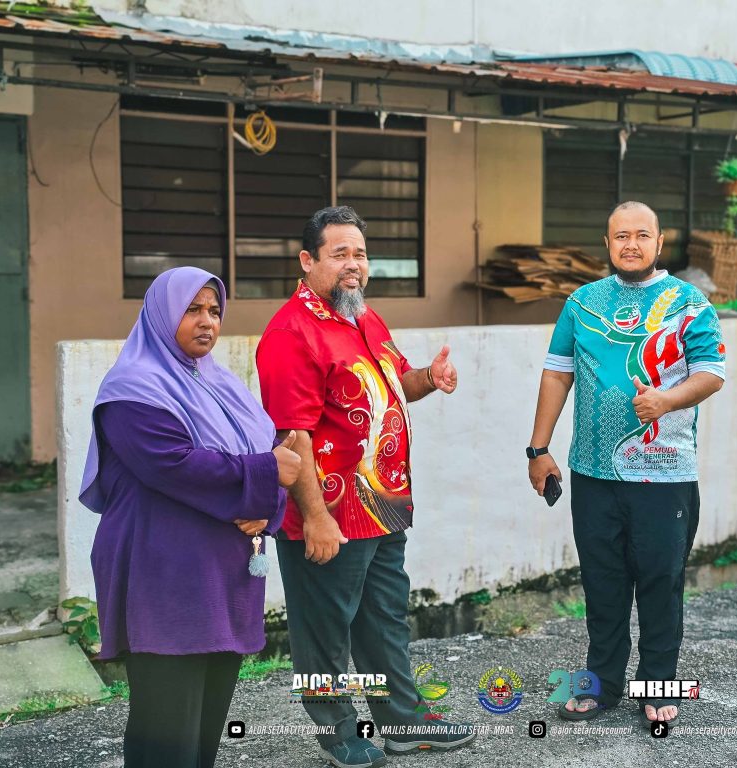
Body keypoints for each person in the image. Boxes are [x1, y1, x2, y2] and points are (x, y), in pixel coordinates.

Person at [256, 206, 474, 768]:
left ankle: (401, 722)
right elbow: (292, 435)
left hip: (382, 507)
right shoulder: (290, 332)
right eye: (339, 254)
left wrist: (428, 378)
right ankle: (336, 732)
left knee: (383, 618)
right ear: (308, 262)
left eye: (360, 254)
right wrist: (317, 518)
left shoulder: (362, 318)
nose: (353, 265)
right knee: (325, 628)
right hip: (327, 513)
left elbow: (394, 383)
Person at [80, 266, 300, 768]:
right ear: (161, 315)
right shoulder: (133, 390)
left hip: (224, 577)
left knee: (204, 728)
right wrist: (266, 474)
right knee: (167, 728)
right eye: (192, 310)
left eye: (215, 311)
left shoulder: (220, 384)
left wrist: (264, 504)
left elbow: (272, 454)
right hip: (165, 573)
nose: (207, 322)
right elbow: (172, 464)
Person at [527, 201, 726, 727]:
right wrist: (538, 449)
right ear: (608, 242)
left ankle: (659, 688)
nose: (631, 244)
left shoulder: (690, 303)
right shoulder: (581, 302)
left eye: (642, 235)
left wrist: (666, 400)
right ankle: (600, 684)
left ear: (660, 243)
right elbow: (556, 375)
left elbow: (711, 373)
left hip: (664, 473)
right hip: (593, 472)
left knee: (661, 581)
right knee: (602, 582)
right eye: (621, 236)